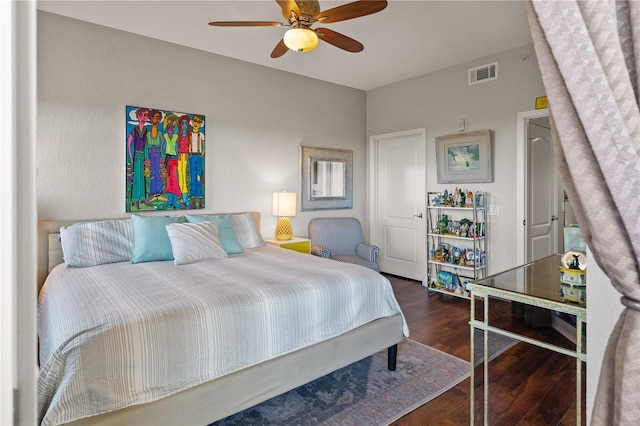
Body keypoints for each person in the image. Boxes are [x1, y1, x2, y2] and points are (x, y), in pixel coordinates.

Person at [127, 107, 149, 210]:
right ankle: (135, 199)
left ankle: (143, 198)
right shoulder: (134, 130)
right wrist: (130, 155)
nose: (143, 118)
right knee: (136, 178)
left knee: (143, 176)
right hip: (136, 155)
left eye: (145, 115)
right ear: (137, 117)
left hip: (143, 154)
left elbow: (148, 144)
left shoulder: (146, 130)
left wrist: (147, 157)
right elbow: (129, 142)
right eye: (141, 115)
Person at [162, 113, 182, 210]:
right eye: (169, 125)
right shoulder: (164, 136)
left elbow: (177, 148)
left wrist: (178, 158)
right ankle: (170, 200)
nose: (170, 128)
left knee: (174, 179)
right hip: (167, 159)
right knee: (168, 179)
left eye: (172, 126)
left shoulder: (175, 137)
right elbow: (163, 148)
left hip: (174, 159)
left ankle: (174, 200)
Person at [147, 109, 164, 198]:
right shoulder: (148, 133)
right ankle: (153, 192)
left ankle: (159, 192)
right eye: (153, 118)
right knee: (151, 173)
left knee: (158, 172)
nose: (155, 120)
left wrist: (162, 156)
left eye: (157, 118)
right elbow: (146, 145)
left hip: (157, 152)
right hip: (150, 152)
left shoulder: (160, 133)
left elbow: (163, 145)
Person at [188, 114, 205, 209]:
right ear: (192, 122)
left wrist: (203, 152)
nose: (196, 123)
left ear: (200, 124)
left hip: (198, 156)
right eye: (195, 121)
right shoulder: (189, 134)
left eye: (198, 122)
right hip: (191, 156)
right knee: (193, 176)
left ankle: (200, 197)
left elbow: (204, 143)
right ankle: (193, 198)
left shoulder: (201, 134)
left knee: (199, 176)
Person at [177, 115, 191, 208]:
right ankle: (181, 196)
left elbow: (190, 146)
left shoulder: (189, 135)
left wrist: (188, 154)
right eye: (183, 123)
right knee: (180, 176)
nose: (184, 125)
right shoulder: (179, 134)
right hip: (179, 156)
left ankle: (185, 198)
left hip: (185, 156)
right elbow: (176, 145)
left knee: (184, 176)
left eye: (186, 123)